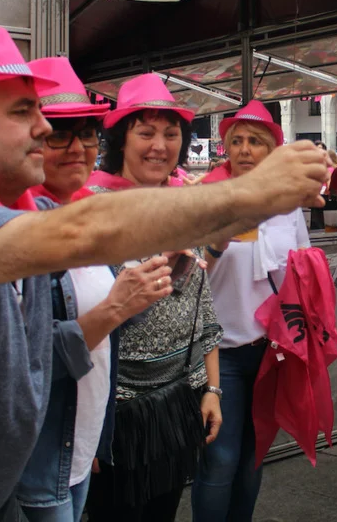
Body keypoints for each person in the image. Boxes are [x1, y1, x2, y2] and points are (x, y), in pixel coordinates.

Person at [0, 26, 330, 522]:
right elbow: (83, 231)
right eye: (24, 112)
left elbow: (46, 345)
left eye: (81, 131)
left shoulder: (26, 211)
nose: (45, 128)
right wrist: (250, 191)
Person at [16, 58, 172, 522]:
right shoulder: (19, 228)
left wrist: (151, 284)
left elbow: (110, 324)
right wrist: (116, 307)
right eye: (59, 135)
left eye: (86, 134)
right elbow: (23, 360)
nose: (77, 149)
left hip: (80, 444)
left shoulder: (87, 218)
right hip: (38, 456)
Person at [76, 73, 224, 522]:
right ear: (122, 139)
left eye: (170, 133)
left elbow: (201, 304)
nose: (159, 145)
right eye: (146, 132)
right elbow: (78, 312)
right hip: (112, 408)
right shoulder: (89, 206)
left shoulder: (187, 204)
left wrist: (212, 389)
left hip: (178, 401)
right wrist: (85, 424)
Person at [192, 100, 312, 522]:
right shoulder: (209, 197)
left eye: (255, 142)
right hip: (218, 352)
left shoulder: (287, 204)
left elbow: (303, 269)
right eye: (237, 141)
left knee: (253, 456)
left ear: (271, 150)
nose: (244, 149)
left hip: (269, 351)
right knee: (220, 458)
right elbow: (190, 274)